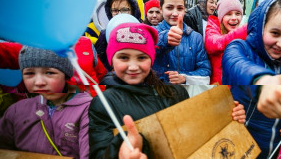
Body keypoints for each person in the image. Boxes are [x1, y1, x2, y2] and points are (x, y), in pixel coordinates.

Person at [88, 22, 246, 158]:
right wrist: (119, 153)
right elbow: (99, 152)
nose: (133, 66)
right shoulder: (103, 104)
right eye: (123, 57)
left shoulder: (175, 92)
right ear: (111, 59)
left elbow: (195, 131)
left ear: (151, 59)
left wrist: (227, 116)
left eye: (141, 57)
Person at [222, 0, 281, 158]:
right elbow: (236, 64)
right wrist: (262, 81)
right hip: (241, 147)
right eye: (275, 33)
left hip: (277, 150)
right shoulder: (240, 48)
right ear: (259, 27)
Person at [0, 46, 92, 159]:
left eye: (50, 73)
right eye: (29, 73)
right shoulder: (16, 110)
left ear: (66, 75)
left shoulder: (89, 108)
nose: (39, 82)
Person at [153, 0, 211, 85]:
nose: (175, 13)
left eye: (179, 8)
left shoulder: (196, 38)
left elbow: (205, 70)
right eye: (169, 8)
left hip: (186, 94)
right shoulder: (152, 32)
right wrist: (165, 40)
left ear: (185, 10)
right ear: (160, 9)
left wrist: (184, 78)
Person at [94, 0, 143, 71]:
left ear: (133, 10)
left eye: (124, 10)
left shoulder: (142, 30)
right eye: (115, 10)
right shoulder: (105, 33)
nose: (119, 14)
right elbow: (99, 59)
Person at [205, 0, 247, 85]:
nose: (234, 18)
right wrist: (245, 30)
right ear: (221, 17)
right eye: (229, 14)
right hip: (217, 90)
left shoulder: (244, 36)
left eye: (238, 13)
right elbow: (214, 44)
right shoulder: (212, 28)